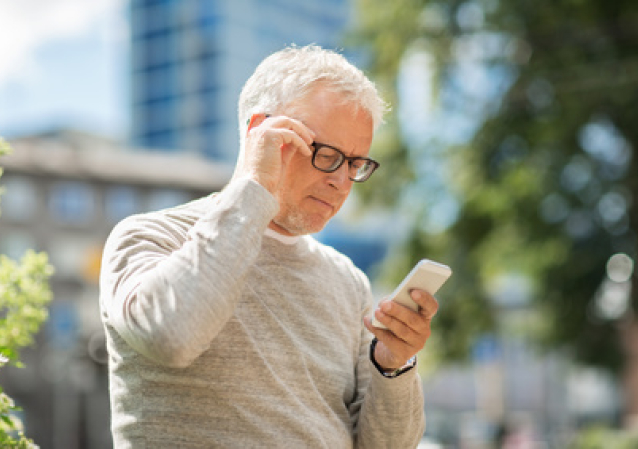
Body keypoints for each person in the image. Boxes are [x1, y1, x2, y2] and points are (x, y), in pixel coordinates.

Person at [100, 44, 439, 448]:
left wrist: (392, 366)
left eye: (355, 164)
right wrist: (256, 188)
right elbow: (172, 337)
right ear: (260, 131)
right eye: (327, 155)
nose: (342, 182)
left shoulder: (347, 281)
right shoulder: (149, 236)